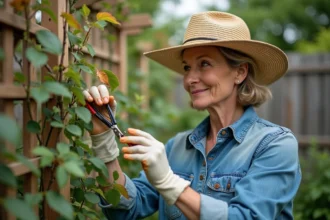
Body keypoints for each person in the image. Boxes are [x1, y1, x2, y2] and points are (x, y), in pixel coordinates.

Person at [83, 11, 301, 220]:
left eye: (204, 64)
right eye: (187, 67)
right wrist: (103, 141)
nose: (189, 80)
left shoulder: (274, 144)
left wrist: (169, 182)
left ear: (240, 72)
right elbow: (126, 210)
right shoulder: (177, 147)